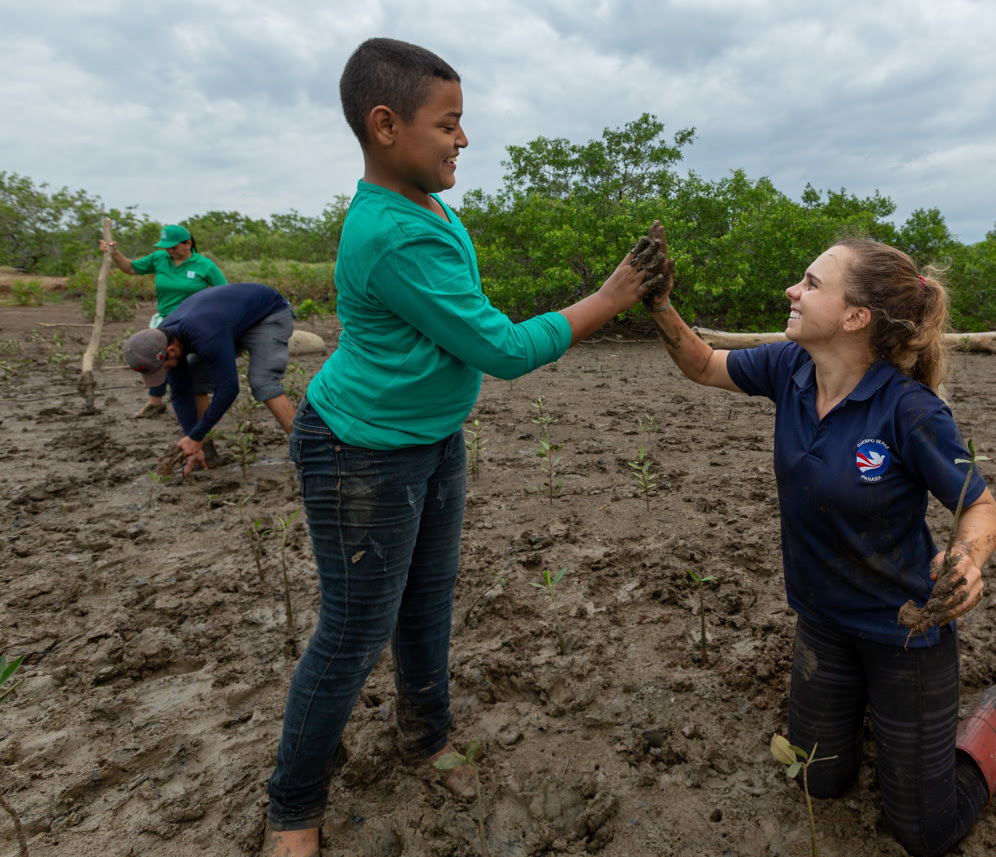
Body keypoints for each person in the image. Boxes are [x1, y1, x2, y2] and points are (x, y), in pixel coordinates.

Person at [262, 39, 652, 857]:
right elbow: (502, 349)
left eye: (462, 122)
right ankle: (292, 810)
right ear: (384, 124)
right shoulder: (394, 234)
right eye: (448, 124)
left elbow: (463, 318)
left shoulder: (432, 210)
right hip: (359, 454)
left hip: (430, 442)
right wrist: (612, 297)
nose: (463, 140)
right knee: (352, 632)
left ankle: (426, 736)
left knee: (427, 597)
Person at [643, 233, 996, 857]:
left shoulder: (909, 411)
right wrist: (659, 302)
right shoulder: (788, 368)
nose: (792, 291)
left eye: (810, 283)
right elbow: (701, 362)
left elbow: (980, 507)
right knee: (817, 780)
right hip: (822, 623)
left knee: (924, 832)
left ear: (855, 317)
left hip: (905, 632)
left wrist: (967, 559)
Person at [122, 281, 296, 475]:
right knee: (195, 379)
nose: (166, 370)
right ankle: (206, 453)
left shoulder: (204, 335)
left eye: (164, 367)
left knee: (262, 381)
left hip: (268, 313)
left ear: (171, 350)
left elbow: (228, 389)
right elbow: (179, 393)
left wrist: (196, 435)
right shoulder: (163, 338)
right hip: (228, 321)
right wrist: (192, 438)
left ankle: (307, 449)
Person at [101, 224, 228, 417]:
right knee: (158, 358)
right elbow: (130, 268)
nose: (169, 250)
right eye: (166, 246)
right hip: (166, 321)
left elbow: (225, 293)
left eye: (174, 246)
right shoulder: (159, 258)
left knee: (193, 363)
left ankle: (204, 407)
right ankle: (155, 402)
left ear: (188, 243)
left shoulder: (205, 265)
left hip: (195, 322)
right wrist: (115, 252)